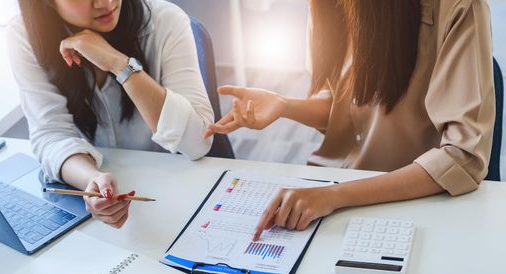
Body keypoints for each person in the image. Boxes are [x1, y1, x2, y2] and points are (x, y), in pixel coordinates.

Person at [205, 0, 495, 241]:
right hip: (332, 192)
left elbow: (462, 158)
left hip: (411, 202)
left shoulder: (459, 7)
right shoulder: (326, 5)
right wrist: (285, 106)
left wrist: (334, 196)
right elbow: (343, 107)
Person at [9, 0, 213, 228]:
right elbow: (52, 134)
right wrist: (92, 179)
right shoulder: (26, 35)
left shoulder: (165, 20)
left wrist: (120, 65)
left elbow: (197, 143)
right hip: (95, 208)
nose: (105, 3)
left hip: (176, 194)